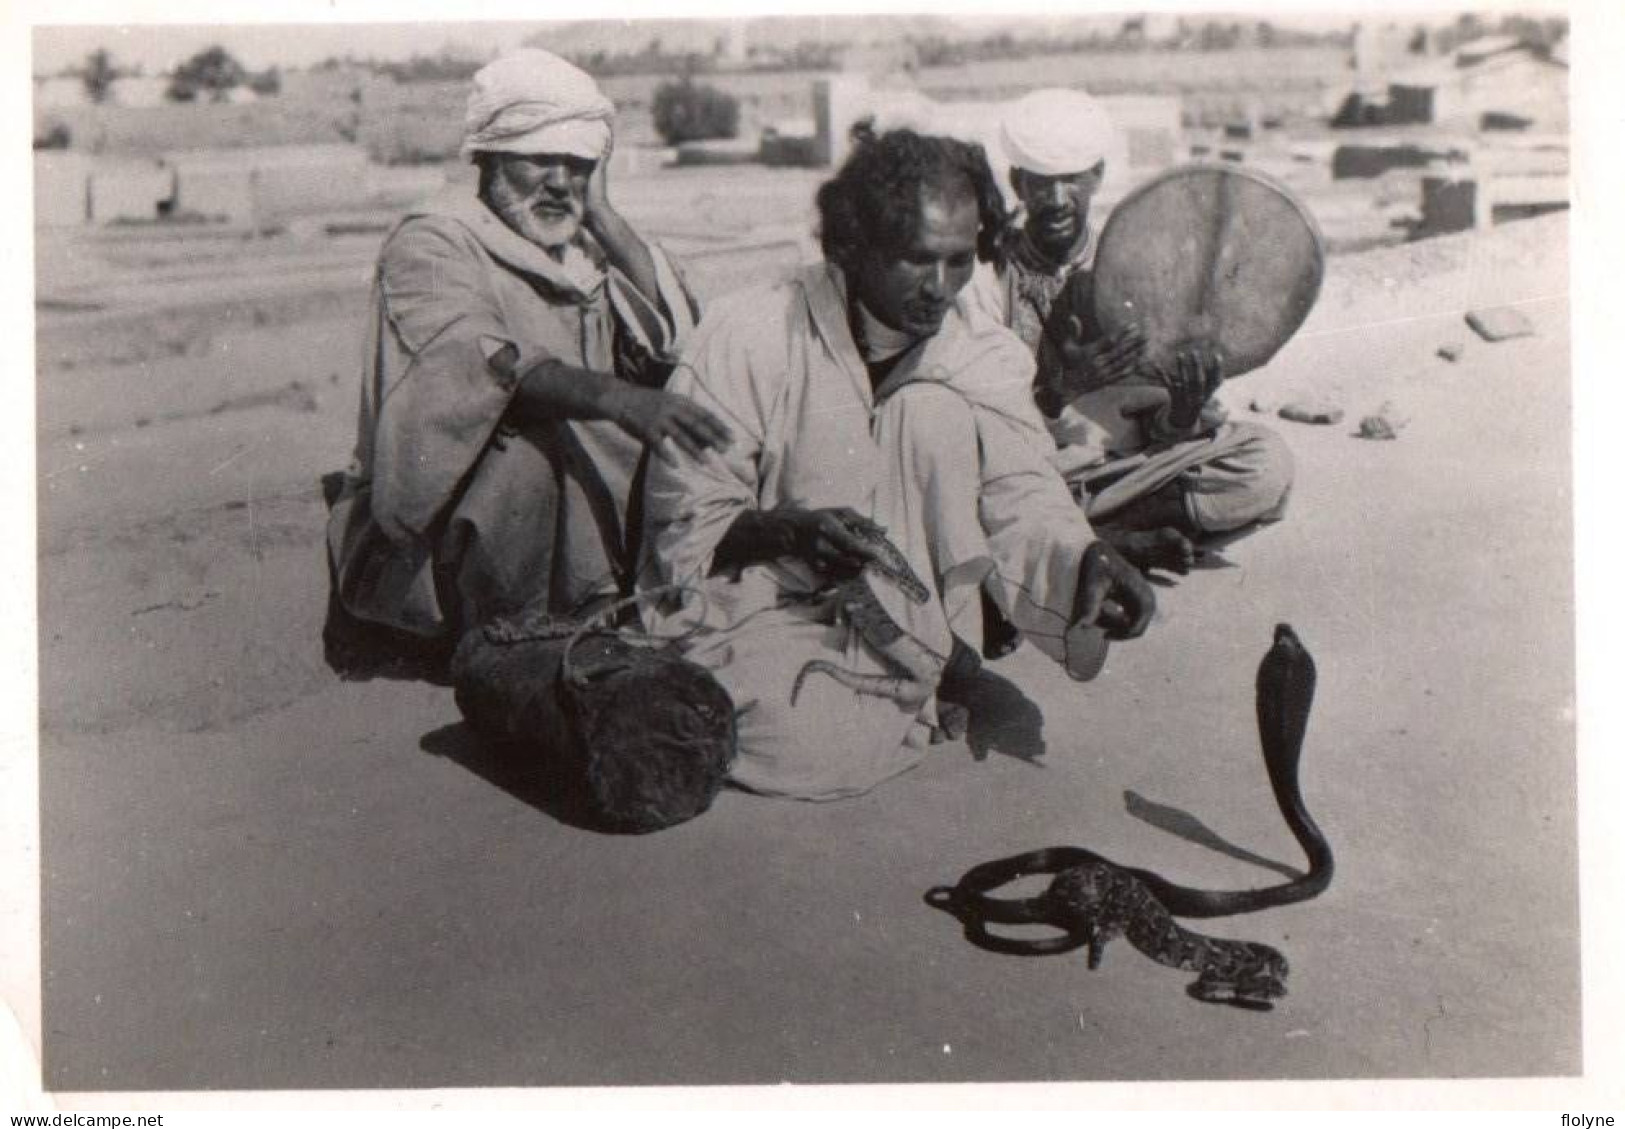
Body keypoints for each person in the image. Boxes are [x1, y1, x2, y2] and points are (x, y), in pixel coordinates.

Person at [637, 128, 1156, 801]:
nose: (939, 289)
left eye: (958, 260)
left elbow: (1023, 485)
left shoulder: (981, 352)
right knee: (792, 737)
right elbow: (686, 529)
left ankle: (915, 669)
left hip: (905, 609)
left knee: (932, 413)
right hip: (761, 602)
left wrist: (1084, 557)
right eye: (916, 260)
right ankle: (910, 684)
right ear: (852, 247)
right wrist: (791, 530)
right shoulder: (749, 335)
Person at [324, 49, 727, 676]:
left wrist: (605, 215)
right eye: (540, 158)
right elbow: (482, 361)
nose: (560, 181)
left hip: (585, 528)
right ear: (488, 157)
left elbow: (674, 343)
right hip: (432, 537)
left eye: (577, 163)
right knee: (524, 443)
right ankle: (510, 646)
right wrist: (615, 399)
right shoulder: (433, 240)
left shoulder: (579, 242)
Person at [964, 87, 1294, 576]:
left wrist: (1182, 411)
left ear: (1096, 176)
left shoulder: (1137, 272)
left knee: (1265, 461)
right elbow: (975, 416)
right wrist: (1062, 389)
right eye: (1041, 182)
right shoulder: (986, 277)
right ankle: (1111, 537)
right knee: (958, 489)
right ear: (1018, 182)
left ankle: (1103, 536)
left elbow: (1163, 425)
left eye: (1071, 180)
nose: (1056, 199)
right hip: (1029, 469)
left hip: (1128, 470)